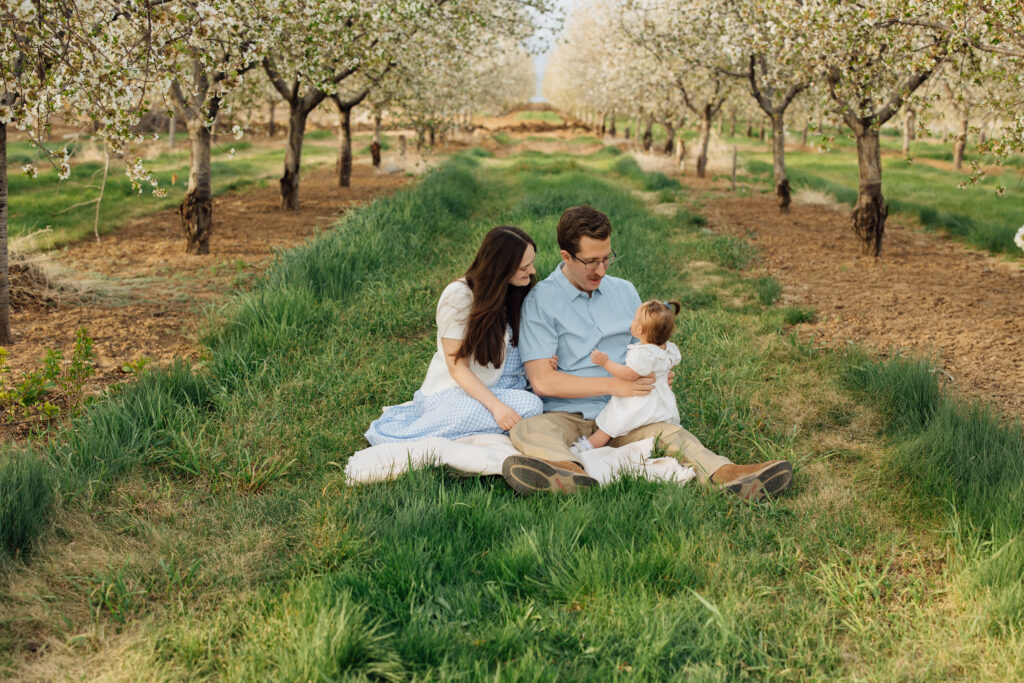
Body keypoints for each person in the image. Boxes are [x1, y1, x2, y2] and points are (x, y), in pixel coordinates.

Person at [500, 205, 792, 500]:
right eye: (591, 262)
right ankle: (567, 473)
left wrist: (657, 371)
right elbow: (543, 382)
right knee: (529, 430)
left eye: (606, 258)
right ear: (566, 256)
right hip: (568, 414)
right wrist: (616, 384)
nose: (601, 270)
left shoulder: (624, 291)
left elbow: (648, 345)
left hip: (629, 411)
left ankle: (726, 476)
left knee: (671, 435)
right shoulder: (541, 301)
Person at [364, 226, 544, 445]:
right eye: (524, 267)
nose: (532, 271)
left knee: (533, 404)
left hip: (501, 386)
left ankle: (482, 428)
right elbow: (457, 367)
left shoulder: (515, 291)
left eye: (531, 263)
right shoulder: (459, 296)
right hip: (453, 392)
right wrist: (496, 406)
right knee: (530, 407)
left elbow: (514, 349)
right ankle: (409, 435)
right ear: (501, 267)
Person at [573, 300, 682, 453]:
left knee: (610, 425)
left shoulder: (643, 354)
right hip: (659, 401)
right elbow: (670, 368)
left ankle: (585, 447)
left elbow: (628, 375)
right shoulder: (669, 349)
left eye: (634, 318)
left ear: (639, 329)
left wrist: (605, 363)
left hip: (639, 401)